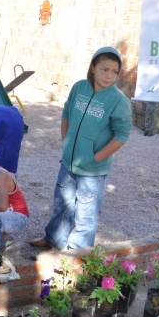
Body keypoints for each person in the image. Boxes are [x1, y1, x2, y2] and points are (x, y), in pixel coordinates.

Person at [30, 46, 132, 250]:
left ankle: (77, 255)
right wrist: (66, 142)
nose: (109, 76)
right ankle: (53, 240)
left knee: (85, 214)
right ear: (93, 67)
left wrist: (95, 158)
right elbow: (66, 113)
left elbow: (122, 135)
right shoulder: (79, 87)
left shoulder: (119, 100)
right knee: (61, 203)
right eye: (104, 69)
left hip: (93, 170)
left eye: (114, 71)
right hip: (68, 162)